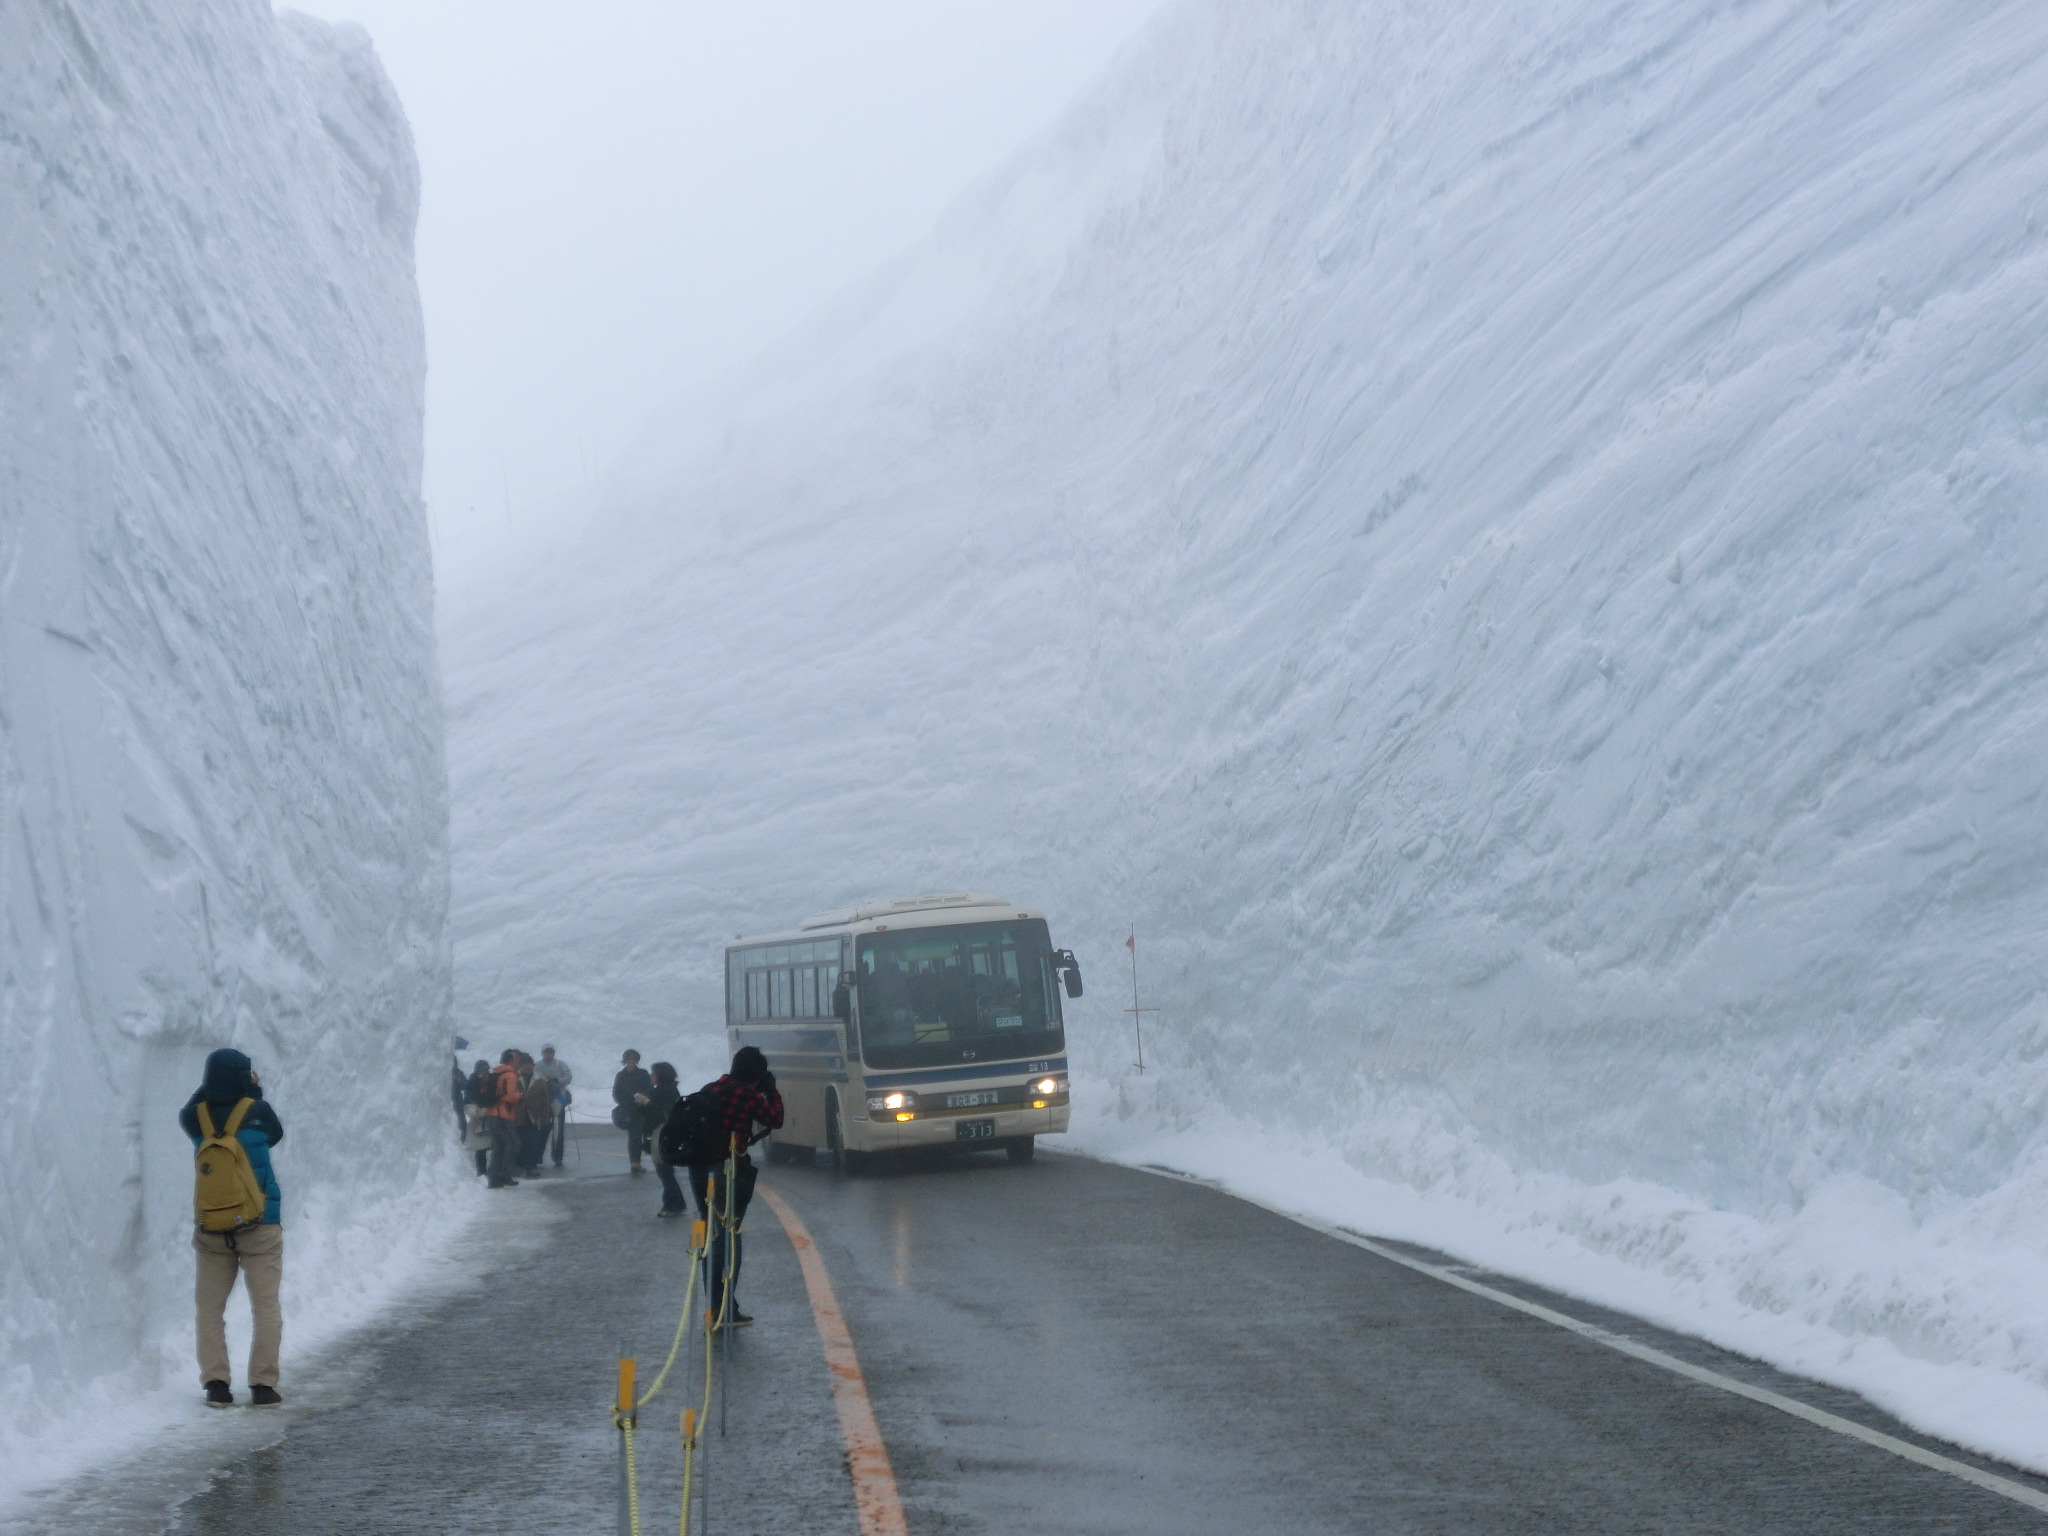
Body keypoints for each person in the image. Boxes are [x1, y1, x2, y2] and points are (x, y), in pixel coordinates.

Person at [179, 1048, 285, 1408]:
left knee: (209, 1309)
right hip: (260, 1224)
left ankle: (217, 1385)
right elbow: (274, 1135)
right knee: (265, 1306)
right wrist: (252, 1094)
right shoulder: (258, 1112)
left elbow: (187, 1109)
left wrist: (210, 1090)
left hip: (212, 1228)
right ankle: (263, 1385)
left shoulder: (196, 1119)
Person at [687, 1046, 784, 1330]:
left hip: (698, 1167)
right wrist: (772, 1091)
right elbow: (775, 1119)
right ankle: (724, 1308)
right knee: (729, 1236)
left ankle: (714, 1305)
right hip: (727, 1168)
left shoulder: (711, 1088)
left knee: (710, 1235)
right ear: (756, 1075)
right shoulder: (747, 1094)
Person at [644, 1062, 686, 1216]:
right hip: (661, 1132)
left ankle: (674, 1204)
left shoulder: (666, 1091)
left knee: (664, 1169)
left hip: (663, 1132)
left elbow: (660, 1113)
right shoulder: (664, 1089)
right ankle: (673, 1203)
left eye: (653, 1073)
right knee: (664, 1170)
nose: (651, 1076)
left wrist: (647, 1103)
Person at [486, 1049, 523, 1188]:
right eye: (516, 1059)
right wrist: (520, 1096)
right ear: (511, 1060)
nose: (518, 1061)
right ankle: (504, 1175)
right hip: (502, 1115)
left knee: (498, 1147)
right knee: (512, 1144)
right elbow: (510, 1096)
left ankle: (493, 1178)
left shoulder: (496, 1073)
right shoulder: (511, 1075)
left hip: (492, 1114)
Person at [612, 1050, 654, 1175]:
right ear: (625, 1061)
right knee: (634, 1136)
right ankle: (635, 1162)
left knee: (642, 1135)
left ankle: (639, 1161)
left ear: (637, 1060)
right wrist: (625, 1102)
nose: (631, 1061)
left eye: (633, 1059)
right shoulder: (620, 1075)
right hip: (629, 1109)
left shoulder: (643, 1073)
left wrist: (642, 1098)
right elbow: (616, 1093)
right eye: (628, 1059)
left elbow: (649, 1088)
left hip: (642, 1108)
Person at [535, 1045, 573, 1166]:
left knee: (559, 1129)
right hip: (544, 1100)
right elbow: (536, 1077)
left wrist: (558, 1082)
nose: (549, 1055)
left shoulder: (560, 1064)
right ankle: (538, 1155)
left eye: (551, 1052)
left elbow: (568, 1076)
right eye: (546, 1052)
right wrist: (547, 1082)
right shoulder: (538, 1065)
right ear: (542, 1053)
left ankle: (557, 1156)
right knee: (543, 1128)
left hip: (558, 1099)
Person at [516, 1051, 552, 1175]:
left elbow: (545, 1102)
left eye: (530, 1064)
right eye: (525, 1064)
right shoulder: (514, 1079)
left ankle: (531, 1166)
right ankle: (518, 1166)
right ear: (521, 1066)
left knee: (532, 1143)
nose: (528, 1067)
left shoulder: (539, 1081)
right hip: (516, 1116)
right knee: (518, 1142)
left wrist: (545, 1120)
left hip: (532, 1117)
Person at [465, 1058, 493, 1177]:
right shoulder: (473, 1081)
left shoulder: (490, 1080)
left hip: (489, 1113)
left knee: (491, 1143)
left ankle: (489, 1168)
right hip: (478, 1114)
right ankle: (482, 1170)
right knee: (480, 1145)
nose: (485, 1071)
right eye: (483, 1069)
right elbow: (470, 1097)